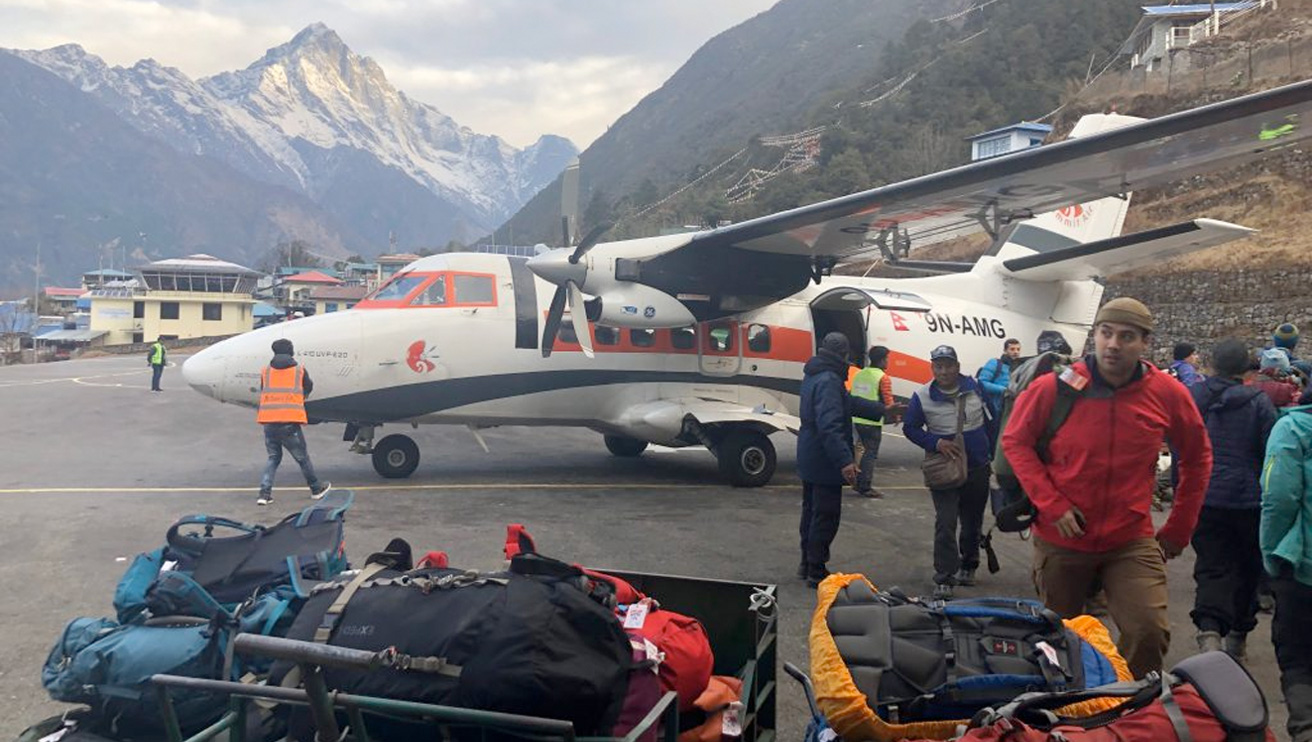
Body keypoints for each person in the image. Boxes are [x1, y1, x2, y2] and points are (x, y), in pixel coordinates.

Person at [1002, 297, 1212, 678]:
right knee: (1060, 639)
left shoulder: (1166, 392)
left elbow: (1198, 457)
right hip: (1062, 536)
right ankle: (1068, 711)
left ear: (1145, 343)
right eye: (1106, 333)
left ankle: (1129, 709)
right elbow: (1015, 442)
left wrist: (1180, 528)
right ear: (1094, 336)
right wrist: (1052, 504)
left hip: (1129, 538)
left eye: (1127, 336)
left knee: (1148, 632)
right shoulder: (1055, 388)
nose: (1114, 344)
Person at [1187, 339, 1276, 661]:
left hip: (1204, 497)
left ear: (1212, 366)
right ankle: (1238, 634)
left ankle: (1209, 629)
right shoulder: (1259, 403)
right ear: (1244, 371)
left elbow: (1179, 442)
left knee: (1211, 565)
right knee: (1247, 569)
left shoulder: (1194, 397)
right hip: (1249, 502)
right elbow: (1270, 454)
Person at [903, 344, 994, 599]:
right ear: (933, 368)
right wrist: (936, 443)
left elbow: (992, 421)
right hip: (944, 470)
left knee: (972, 522)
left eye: (948, 366)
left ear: (957, 367)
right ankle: (944, 576)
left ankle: (969, 564)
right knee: (945, 523)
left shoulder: (977, 389)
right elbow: (910, 428)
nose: (943, 371)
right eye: (938, 366)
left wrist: (994, 456)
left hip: (977, 467)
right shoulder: (922, 396)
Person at [797, 332, 883, 588]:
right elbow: (831, 425)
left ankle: (806, 563)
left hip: (810, 453)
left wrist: (881, 410)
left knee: (811, 512)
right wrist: (845, 461)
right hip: (824, 458)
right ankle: (816, 569)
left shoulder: (815, 374)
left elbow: (847, 403)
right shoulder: (830, 379)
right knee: (826, 514)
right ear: (844, 354)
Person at [1260, 403, 1312, 742]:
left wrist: (1270, 553)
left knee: (1297, 652)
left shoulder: (1293, 428)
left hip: (1303, 566)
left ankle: (1305, 727)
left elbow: (1278, 496)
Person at [257, 338, 331, 506]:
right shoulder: (299, 370)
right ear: (291, 351)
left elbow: (264, 390)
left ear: (274, 352)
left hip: (269, 422)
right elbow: (308, 387)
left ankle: (264, 494)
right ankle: (316, 489)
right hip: (289, 423)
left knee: (273, 458)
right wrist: (299, 398)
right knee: (302, 458)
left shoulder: (266, 371)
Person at [850, 346, 895, 498]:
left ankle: (856, 481)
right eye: (887, 358)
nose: (888, 361)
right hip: (872, 422)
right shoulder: (883, 377)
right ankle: (864, 486)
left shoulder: (859, 374)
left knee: (860, 452)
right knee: (870, 454)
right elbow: (888, 401)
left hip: (857, 419)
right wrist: (896, 416)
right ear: (882, 360)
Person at [978, 338, 1022, 415]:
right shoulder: (995, 363)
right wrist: (1004, 390)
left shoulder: (1020, 367)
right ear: (1005, 350)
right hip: (995, 409)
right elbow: (981, 383)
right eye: (1012, 349)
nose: (1016, 352)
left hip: (1011, 409)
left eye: (1018, 349)